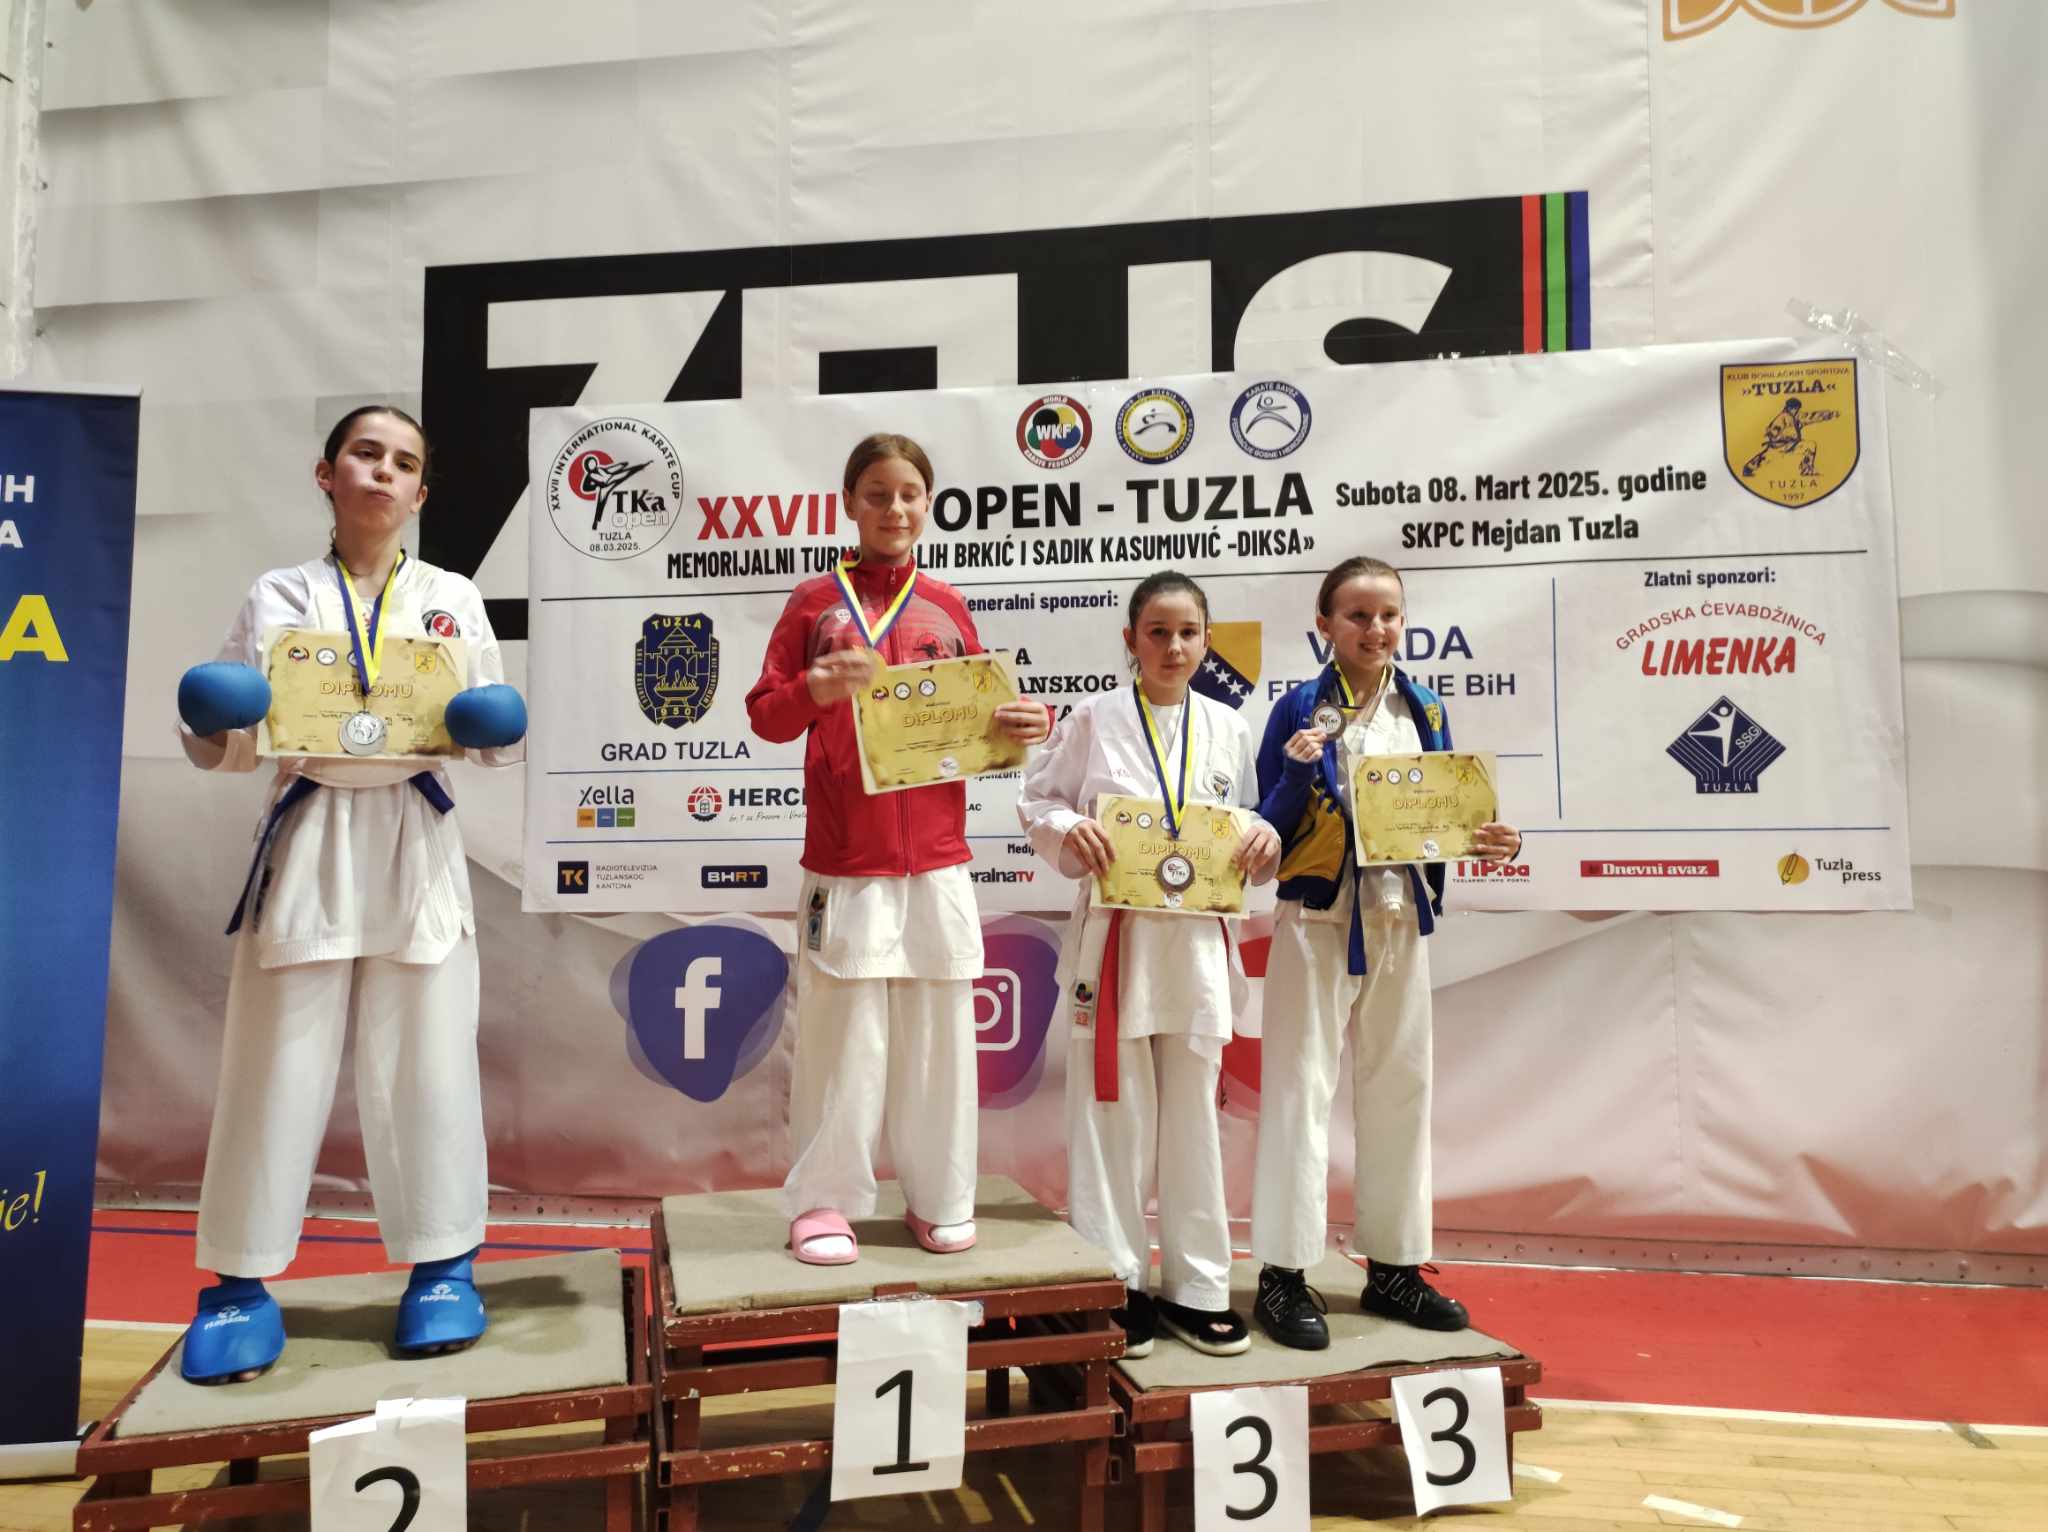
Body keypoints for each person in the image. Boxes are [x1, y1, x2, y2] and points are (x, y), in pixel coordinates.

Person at [172, 406, 528, 1383]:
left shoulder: (452, 597)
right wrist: (211, 716)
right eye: (365, 454)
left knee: (429, 1059)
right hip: (312, 825)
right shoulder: (279, 594)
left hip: (414, 831)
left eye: (402, 462)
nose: (382, 471)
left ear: (421, 493)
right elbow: (231, 745)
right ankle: (239, 1283)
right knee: (273, 1059)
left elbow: (492, 742)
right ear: (326, 473)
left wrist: (492, 724)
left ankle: (443, 1268)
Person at [746, 432, 1050, 1265]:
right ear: (850, 502)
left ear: (929, 504)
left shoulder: (945, 606)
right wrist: (812, 687)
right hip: (846, 859)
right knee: (843, 1042)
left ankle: (941, 1197)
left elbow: (979, 720)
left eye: (909, 493)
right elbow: (766, 716)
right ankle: (824, 1203)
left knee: (939, 1039)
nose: (895, 508)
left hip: (940, 858)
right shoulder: (815, 603)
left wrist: (1027, 722)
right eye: (877, 493)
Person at [1249, 556, 1521, 1349]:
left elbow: (1443, 815)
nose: (1376, 629)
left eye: (1389, 615)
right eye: (1358, 615)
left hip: (1398, 915)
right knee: (1299, 1089)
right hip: (1318, 915)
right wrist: (1295, 773)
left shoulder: (1425, 707)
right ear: (1325, 625)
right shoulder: (1298, 707)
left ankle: (1395, 1266)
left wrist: (1491, 840)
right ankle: (1283, 1273)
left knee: (1402, 1086)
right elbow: (1267, 821)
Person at [1018, 572, 1280, 1357]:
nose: (1173, 646)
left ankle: (1198, 1287)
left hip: (1196, 947)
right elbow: (1039, 800)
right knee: (1113, 1116)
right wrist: (1067, 828)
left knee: (1194, 1117)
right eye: (1157, 632)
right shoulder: (1093, 718)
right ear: (1130, 639)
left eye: (1188, 632)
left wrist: (1263, 837)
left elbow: (1251, 823)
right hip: (1117, 941)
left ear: (1207, 641)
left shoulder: (1229, 727)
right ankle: (1117, 1280)